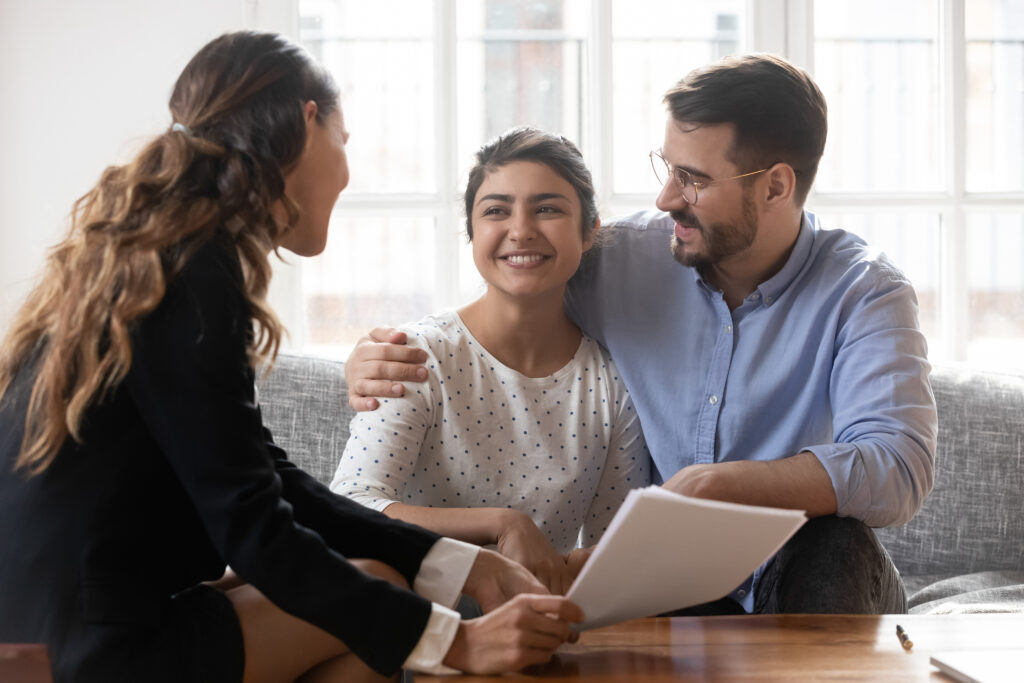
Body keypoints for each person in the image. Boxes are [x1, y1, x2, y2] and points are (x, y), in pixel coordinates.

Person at [0, 31, 583, 683]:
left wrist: (456, 561)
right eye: (345, 140)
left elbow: (272, 482)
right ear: (309, 120)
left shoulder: (159, 257)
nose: (346, 169)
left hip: (51, 629)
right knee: (390, 606)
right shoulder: (193, 272)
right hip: (88, 654)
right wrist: (460, 642)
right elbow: (252, 524)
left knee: (381, 587)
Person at [343, 53, 938, 615]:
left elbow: (897, 467)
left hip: (807, 571)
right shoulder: (617, 259)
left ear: (776, 186)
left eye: (693, 178)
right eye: (667, 167)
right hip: (671, 581)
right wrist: (372, 355)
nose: (665, 197)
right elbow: (514, 288)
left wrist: (724, 483)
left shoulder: (865, 291)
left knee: (835, 541)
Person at [329, 127, 649, 597]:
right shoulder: (419, 357)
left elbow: (609, 551)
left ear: (589, 232)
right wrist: (502, 525)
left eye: (548, 209)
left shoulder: (612, 384)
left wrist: (585, 570)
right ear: (473, 232)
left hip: (537, 626)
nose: (520, 230)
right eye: (496, 211)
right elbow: (350, 506)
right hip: (400, 616)